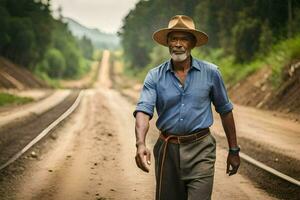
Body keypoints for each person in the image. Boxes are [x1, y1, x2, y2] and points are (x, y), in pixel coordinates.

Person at [133, 15, 240, 200]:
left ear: (192, 43)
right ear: (167, 43)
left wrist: (234, 150)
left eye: (184, 38)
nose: (178, 44)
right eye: (174, 38)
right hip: (168, 150)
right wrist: (140, 143)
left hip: (201, 150)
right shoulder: (154, 76)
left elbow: (225, 111)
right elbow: (144, 110)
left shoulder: (211, 73)